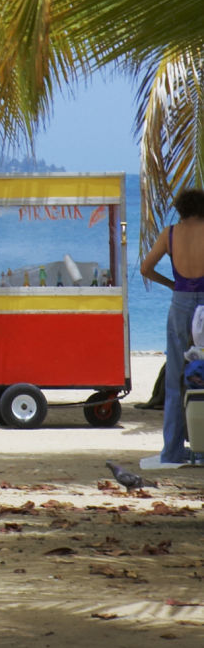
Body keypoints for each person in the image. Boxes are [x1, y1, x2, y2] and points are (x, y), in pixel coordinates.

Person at [139, 189, 204, 469]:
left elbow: (146, 268)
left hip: (180, 304)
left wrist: (170, 284)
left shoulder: (171, 233)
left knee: (177, 378)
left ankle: (173, 450)